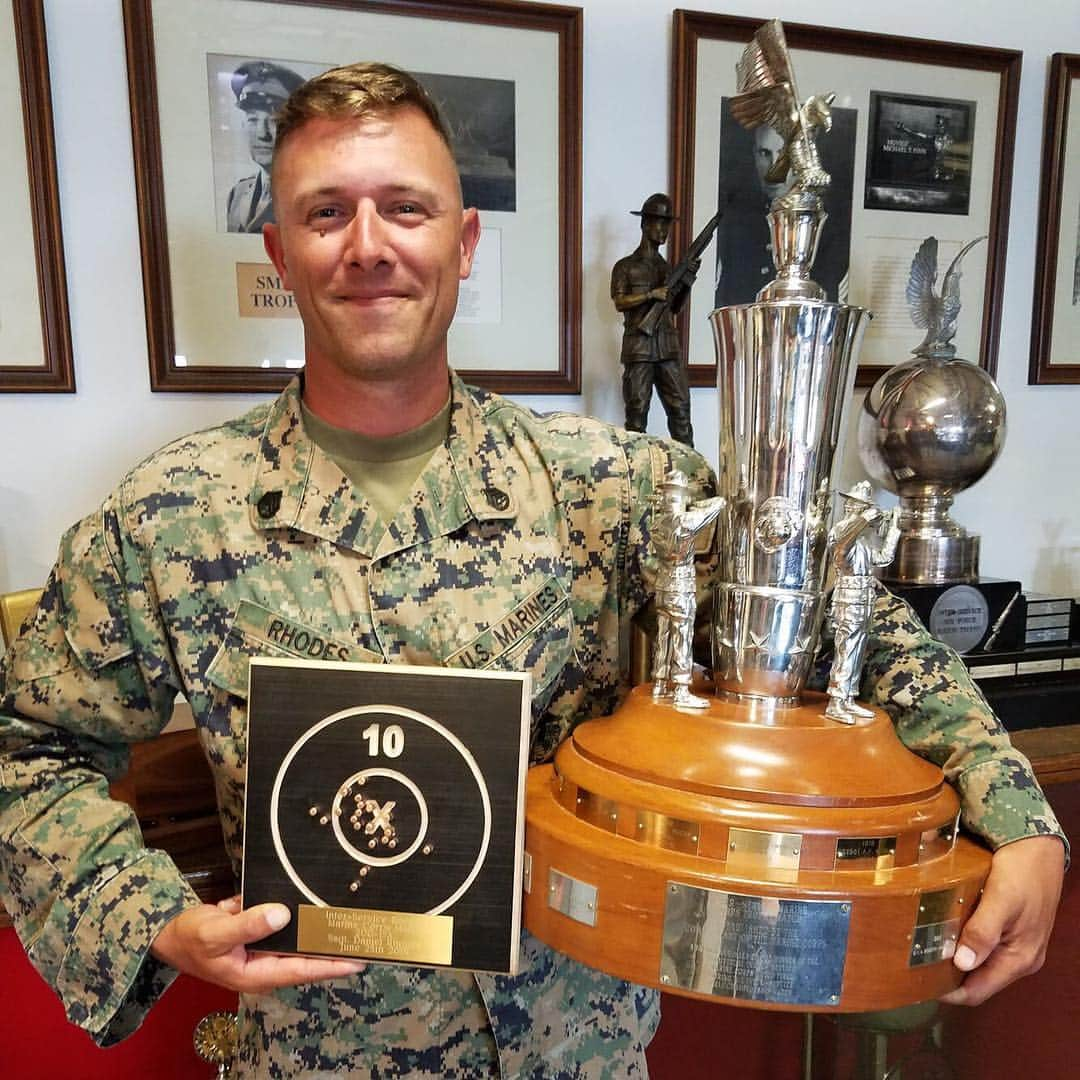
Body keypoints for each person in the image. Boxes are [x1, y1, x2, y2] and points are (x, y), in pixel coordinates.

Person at [0, 62, 1066, 1077]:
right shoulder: (174, 517)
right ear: (280, 254)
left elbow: (856, 629)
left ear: (463, 244)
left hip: (580, 1059)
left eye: (405, 210)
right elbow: (25, 749)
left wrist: (1020, 819)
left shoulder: (616, 489)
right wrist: (152, 920)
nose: (369, 246)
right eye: (327, 214)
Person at [610, 193, 698, 446]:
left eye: (667, 224)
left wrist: (687, 283)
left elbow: (675, 308)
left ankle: (691, 476)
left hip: (667, 348)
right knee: (636, 415)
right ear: (645, 224)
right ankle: (636, 478)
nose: (664, 230)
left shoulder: (669, 268)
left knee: (680, 412)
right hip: (638, 348)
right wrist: (650, 294)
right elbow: (619, 302)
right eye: (659, 222)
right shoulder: (625, 267)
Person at [824, 483, 902, 723]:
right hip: (848, 600)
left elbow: (884, 558)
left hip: (865, 599)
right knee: (845, 651)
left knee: (856, 652)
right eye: (850, 502)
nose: (850, 505)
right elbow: (841, 544)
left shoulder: (863, 543)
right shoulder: (841, 533)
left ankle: (847, 698)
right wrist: (865, 517)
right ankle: (836, 701)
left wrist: (895, 528)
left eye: (857, 503)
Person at [649, 470, 725, 708]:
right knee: (682, 636)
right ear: (681, 497)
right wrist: (695, 503)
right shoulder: (685, 521)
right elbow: (718, 504)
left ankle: (659, 683)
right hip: (680, 587)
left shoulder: (656, 524)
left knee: (662, 636)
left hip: (662, 587)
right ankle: (681, 688)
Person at [225, 60, 304, 233]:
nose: (262, 134)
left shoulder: (309, 197)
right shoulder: (237, 194)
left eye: (275, 122)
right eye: (253, 120)